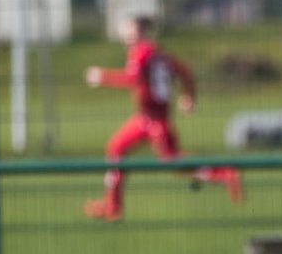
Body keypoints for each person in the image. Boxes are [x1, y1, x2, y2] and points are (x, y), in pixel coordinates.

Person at [83, 15, 242, 221]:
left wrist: (101, 76)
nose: (125, 32)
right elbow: (185, 72)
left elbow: (134, 78)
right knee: (116, 148)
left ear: (139, 32)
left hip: (156, 120)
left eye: (129, 28)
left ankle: (225, 174)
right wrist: (189, 96)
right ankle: (112, 205)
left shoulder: (141, 51)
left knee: (173, 162)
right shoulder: (158, 51)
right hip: (145, 118)